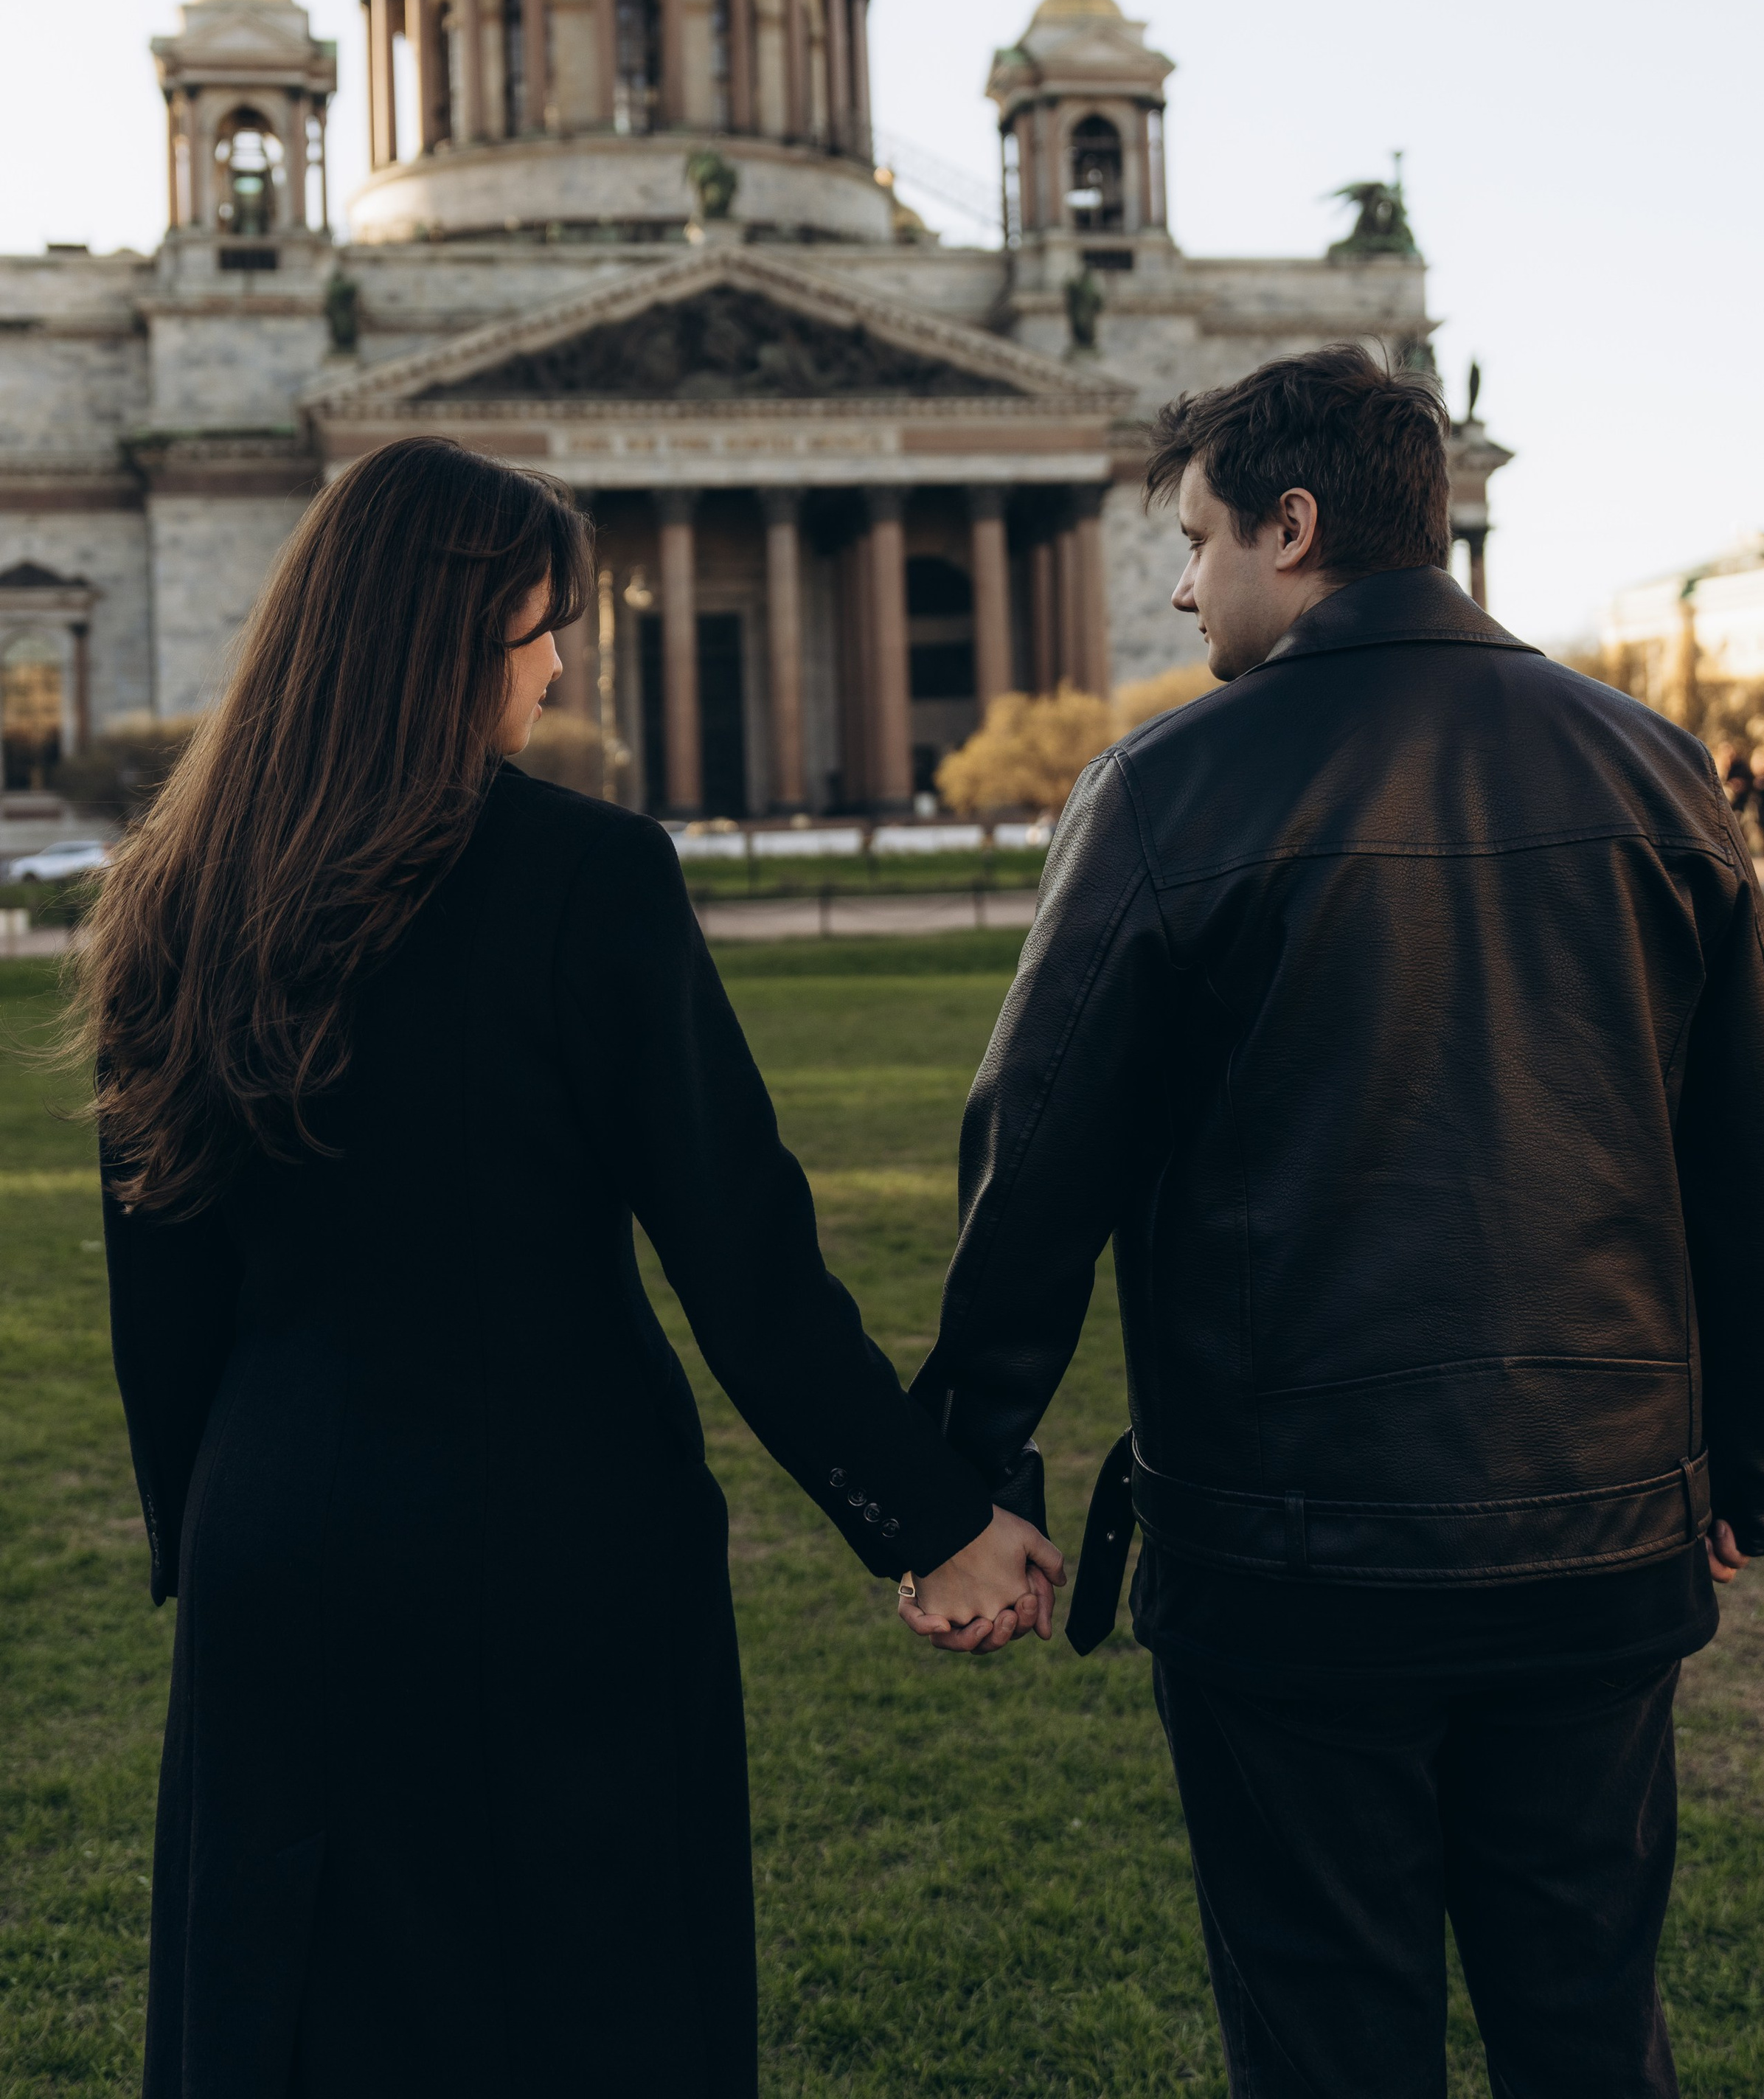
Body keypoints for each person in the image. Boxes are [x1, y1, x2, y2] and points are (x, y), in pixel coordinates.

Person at [86, 437, 1059, 2099]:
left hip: (281, 1541)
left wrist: (219, 1520)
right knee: (588, 2011)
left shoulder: (168, 894)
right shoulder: (588, 876)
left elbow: (157, 1290)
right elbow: (742, 1258)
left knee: (303, 2020)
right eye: (538, 629)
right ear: (441, 643)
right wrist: (936, 1520)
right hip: (558, 1549)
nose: (555, 667)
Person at [906, 347, 1764, 2099]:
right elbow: (1749, 1162)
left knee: (1326, 2047)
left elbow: (1035, 1163)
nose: (1183, 586)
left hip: (1290, 1561)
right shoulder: (1655, 767)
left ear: (1292, 527)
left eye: (1196, 540)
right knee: (1587, 2032)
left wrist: (971, 1474)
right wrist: (1737, 1476)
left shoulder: (1166, 785)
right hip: (1598, 1537)